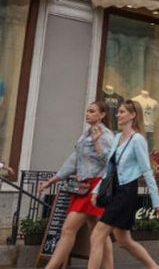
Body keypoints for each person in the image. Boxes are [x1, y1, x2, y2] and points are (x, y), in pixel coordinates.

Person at [87, 100, 159, 269]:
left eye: (122, 112)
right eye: (118, 112)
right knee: (123, 240)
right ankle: (155, 268)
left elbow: (147, 171)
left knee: (97, 235)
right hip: (115, 190)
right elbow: (109, 168)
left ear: (133, 115)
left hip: (126, 192)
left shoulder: (137, 140)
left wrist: (156, 202)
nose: (117, 115)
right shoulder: (116, 138)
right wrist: (95, 190)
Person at [38, 101, 114, 269]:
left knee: (67, 229)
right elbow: (74, 160)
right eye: (87, 111)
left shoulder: (106, 135)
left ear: (102, 115)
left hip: (94, 186)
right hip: (82, 186)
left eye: (92, 111)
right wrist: (53, 180)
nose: (87, 114)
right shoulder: (85, 134)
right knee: (99, 232)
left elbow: (111, 161)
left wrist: (96, 143)